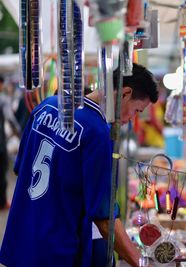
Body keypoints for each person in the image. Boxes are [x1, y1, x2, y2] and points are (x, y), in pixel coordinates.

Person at [0, 63, 158, 266]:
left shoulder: (46, 105)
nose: (131, 119)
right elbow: (104, 218)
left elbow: (21, 168)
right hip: (57, 250)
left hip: (21, 239)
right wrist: (140, 262)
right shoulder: (98, 132)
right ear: (125, 93)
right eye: (136, 111)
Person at [0, 76, 20, 210]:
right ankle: (2, 202)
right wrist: (19, 132)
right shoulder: (3, 99)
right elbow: (10, 119)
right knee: (2, 172)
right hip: (0, 144)